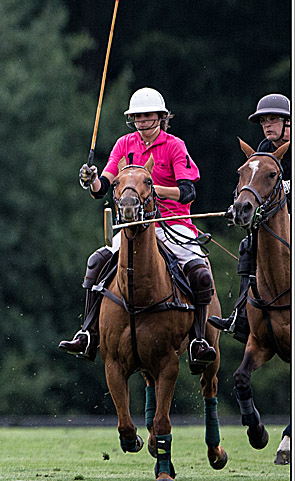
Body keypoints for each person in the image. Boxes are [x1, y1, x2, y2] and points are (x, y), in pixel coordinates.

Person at [59, 87, 218, 374]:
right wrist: (91, 180)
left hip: (174, 225)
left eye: (148, 116)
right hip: (133, 227)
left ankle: (197, 340)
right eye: (138, 117)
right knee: (96, 263)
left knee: (199, 272)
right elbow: (104, 187)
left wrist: (151, 190)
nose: (143, 121)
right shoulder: (123, 144)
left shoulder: (174, 146)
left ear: (161, 117)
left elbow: (187, 190)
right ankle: (87, 333)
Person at [208, 93, 290, 341]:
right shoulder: (264, 150)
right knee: (248, 246)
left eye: (273, 119)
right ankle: (242, 314)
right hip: (279, 221)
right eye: (263, 121)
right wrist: (240, 207)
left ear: (289, 123)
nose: (267, 125)